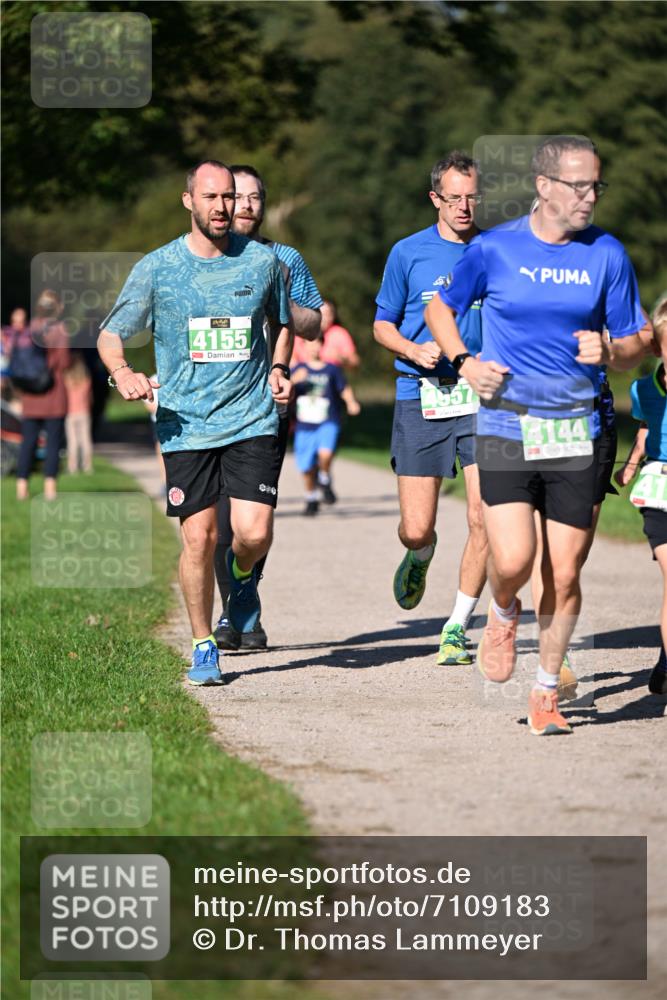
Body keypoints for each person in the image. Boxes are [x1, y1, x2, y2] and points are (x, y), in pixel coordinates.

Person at [425, 135, 648, 735]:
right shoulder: (494, 250)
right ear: (543, 185)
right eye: (578, 185)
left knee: (567, 572)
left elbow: (636, 343)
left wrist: (610, 349)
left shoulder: (608, 255)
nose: (589, 197)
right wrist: (464, 362)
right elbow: (440, 311)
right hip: (506, 422)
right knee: (516, 559)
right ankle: (501, 611)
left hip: (579, 428)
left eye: (596, 185)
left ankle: (546, 691)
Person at [98, 159, 292, 687]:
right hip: (185, 424)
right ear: (189, 201)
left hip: (251, 416)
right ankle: (204, 644)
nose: (223, 207)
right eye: (211, 197)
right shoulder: (158, 268)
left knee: (253, 533)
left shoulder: (264, 262)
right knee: (200, 539)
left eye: (229, 196)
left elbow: (282, 324)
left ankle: (244, 577)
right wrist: (123, 373)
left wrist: (277, 367)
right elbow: (111, 335)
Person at [373, 151, 487, 667]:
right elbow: (381, 325)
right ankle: (419, 554)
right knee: (417, 526)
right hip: (421, 394)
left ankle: (456, 626)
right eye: (454, 197)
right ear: (435, 199)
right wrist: (413, 350)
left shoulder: (495, 250)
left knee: (485, 517)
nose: (464, 207)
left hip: (486, 397)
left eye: (471, 197)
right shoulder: (408, 253)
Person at [213, 163, 324, 651]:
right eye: (238, 197)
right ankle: (234, 616)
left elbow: (313, 324)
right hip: (211, 406)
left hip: (266, 405)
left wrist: (278, 286)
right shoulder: (201, 259)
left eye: (256, 197)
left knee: (253, 524)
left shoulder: (287, 258)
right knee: (218, 520)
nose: (247, 206)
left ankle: (245, 597)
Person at [615, 297, 667, 695]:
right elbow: (647, 428)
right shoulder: (641, 389)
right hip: (660, 487)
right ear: (657, 348)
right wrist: (631, 466)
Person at [292, 336, 361, 515]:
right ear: (303, 347)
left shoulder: (332, 369)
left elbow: (343, 388)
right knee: (306, 467)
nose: (313, 348)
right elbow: (283, 391)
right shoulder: (297, 369)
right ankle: (311, 498)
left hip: (328, 420)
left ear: (322, 346)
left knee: (326, 453)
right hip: (305, 424)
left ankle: (324, 478)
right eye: (309, 344)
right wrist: (293, 381)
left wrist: (351, 402)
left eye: (317, 344)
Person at [15, 291, 70, 501]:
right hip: (53, 395)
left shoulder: (30, 328)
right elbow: (64, 362)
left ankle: (22, 488)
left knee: (27, 442)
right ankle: (50, 490)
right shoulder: (60, 329)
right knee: (53, 443)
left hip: (30, 397)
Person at [292, 298, 360, 371]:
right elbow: (290, 361)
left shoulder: (339, 333)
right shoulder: (301, 334)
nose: (324, 318)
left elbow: (355, 362)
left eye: (327, 314)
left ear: (333, 316)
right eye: (320, 313)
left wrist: (341, 358)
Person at [64, 350, 93, 474]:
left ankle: (72, 466)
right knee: (85, 440)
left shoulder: (66, 380)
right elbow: (90, 398)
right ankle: (87, 466)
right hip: (84, 412)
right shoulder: (86, 381)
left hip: (70, 413)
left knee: (72, 441)